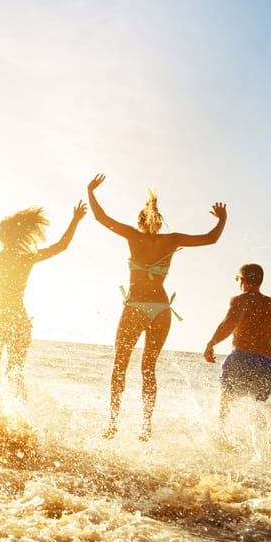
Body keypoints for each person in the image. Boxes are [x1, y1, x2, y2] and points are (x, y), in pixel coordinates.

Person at [87, 174, 226, 440]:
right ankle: (146, 428)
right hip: (161, 310)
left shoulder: (132, 235)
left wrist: (90, 191)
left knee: (120, 365)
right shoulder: (172, 239)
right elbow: (211, 239)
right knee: (148, 369)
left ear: (140, 221)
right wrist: (222, 219)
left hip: (136, 306)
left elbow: (101, 218)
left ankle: (113, 425)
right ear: (159, 222)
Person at [0, 161, 86, 399]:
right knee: (15, 374)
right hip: (18, 320)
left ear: (2, 236)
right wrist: (75, 220)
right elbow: (61, 246)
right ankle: (22, 428)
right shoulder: (27, 259)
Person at [204, 263, 271, 421]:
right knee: (257, 414)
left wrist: (211, 344)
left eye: (237, 278)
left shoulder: (240, 300)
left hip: (242, 359)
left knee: (225, 410)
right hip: (268, 365)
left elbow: (229, 323)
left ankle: (222, 441)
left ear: (242, 280)